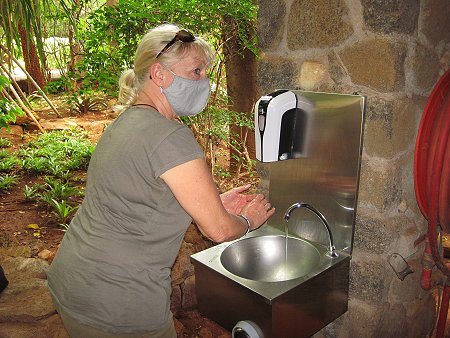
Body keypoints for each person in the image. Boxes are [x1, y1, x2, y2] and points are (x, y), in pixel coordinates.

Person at [47, 23, 275, 337]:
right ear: (159, 74)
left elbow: (139, 200)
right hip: (119, 301)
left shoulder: (125, 123)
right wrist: (246, 221)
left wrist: (213, 205)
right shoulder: (170, 135)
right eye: (196, 72)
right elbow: (219, 230)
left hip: (74, 279)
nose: (205, 82)